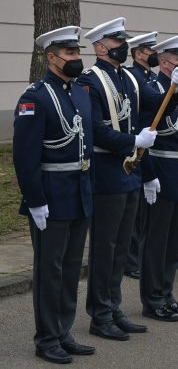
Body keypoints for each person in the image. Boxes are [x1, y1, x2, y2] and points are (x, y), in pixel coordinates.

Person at [77, 18, 163, 341]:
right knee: (105, 246)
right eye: (117, 41)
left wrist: (175, 86)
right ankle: (99, 314)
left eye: (123, 40)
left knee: (122, 246)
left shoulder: (128, 78)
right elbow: (94, 128)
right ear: (100, 46)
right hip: (107, 172)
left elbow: (156, 108)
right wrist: (132, 142)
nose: (123, 46)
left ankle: (113, 307)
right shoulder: (91, 81)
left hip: (130, 173)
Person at [14, 26, 96, 364]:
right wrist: (35, 201)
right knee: (49, 270)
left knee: (71, 268)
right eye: (70, 53)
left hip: (78, 193)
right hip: (50, 196)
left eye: (78, 52)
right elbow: (25, 156)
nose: (76, 58)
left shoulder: (78, 92)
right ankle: (46, 338)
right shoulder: (35, 96)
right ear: (51, 57)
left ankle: (63, 331)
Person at [139, 35, 178, 320]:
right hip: (161, 171)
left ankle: (166, 292)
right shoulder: (151, 88)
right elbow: (146, 132)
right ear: (162, 61)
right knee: (156, 241)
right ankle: (152, 298)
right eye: (176, 60)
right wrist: (148, 175)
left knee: (174, 241)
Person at [124, 32, 159, 281]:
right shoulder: (134, 76)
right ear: (138, 54)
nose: (153, 55)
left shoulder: (149, 76)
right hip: (137, 143)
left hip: (148, 142)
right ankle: (131, 260)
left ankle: (137, 257)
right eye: (149, 51)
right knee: (135, 214)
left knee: (142, 212)